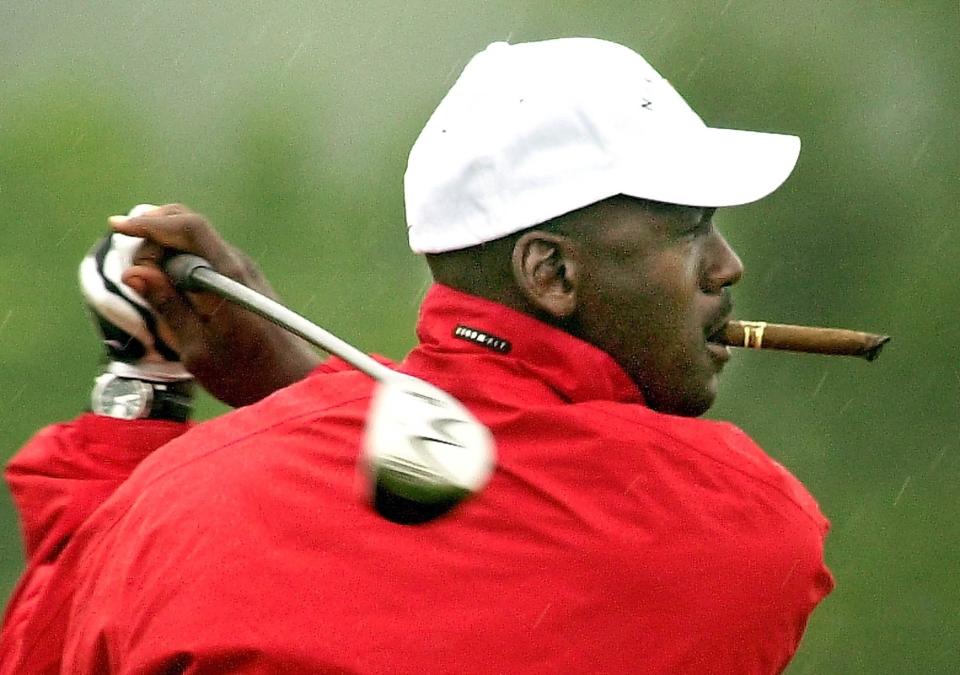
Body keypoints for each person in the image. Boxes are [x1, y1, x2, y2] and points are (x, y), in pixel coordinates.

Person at [1, 38, 834, 674]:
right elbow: (508, 511)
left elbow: (53, 637)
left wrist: (147, 390)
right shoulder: (746, 525)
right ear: (550, 272)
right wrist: (301, 382)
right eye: (690, 229)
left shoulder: (172, 510)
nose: (727, 266)